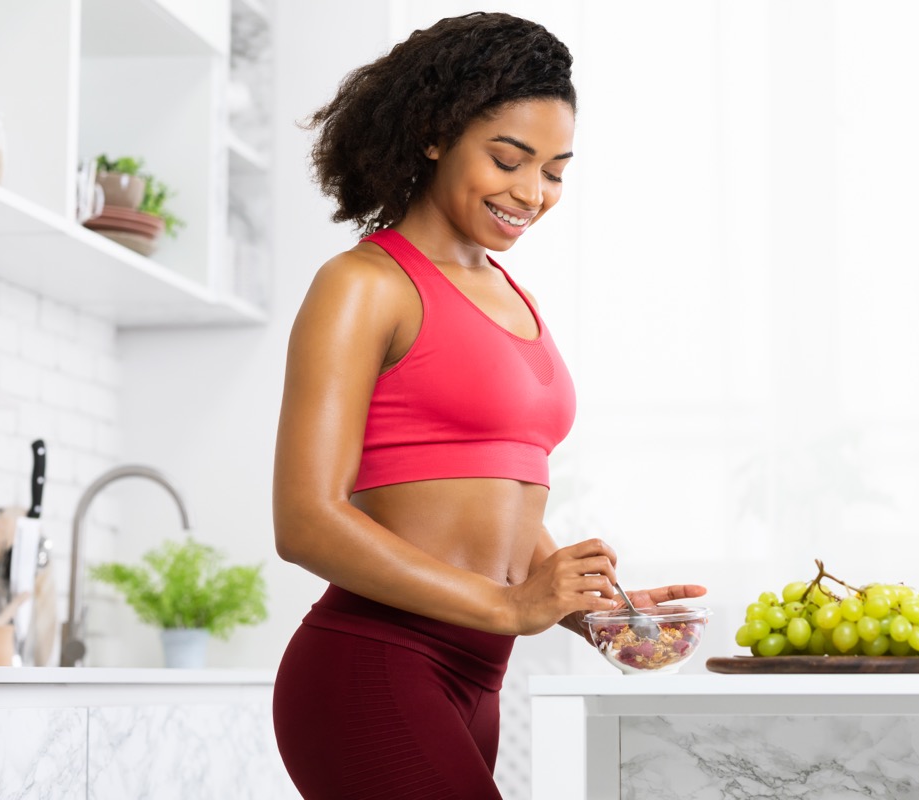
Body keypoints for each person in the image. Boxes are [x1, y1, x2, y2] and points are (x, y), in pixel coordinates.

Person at [270, 13, 705, 799]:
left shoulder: (512, 295)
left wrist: (593, 610)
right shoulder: (364, 285)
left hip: (477, 679)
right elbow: (305, 522)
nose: (532, 194)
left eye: (555, 171)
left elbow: (489, 492)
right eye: (508, 160)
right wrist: (506, 605)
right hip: (372, 665)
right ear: (434, 134)